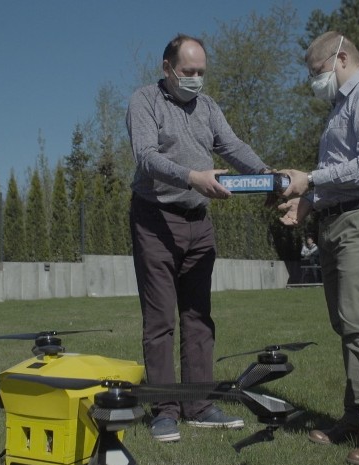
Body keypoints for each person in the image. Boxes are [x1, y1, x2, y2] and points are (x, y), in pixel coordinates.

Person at [126, 33, 272, 442]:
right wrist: (193, 177)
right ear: (167, 67)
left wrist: (269, 178)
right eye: (188, 71)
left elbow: (232, 146)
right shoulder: (144, 101)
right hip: (154, 219)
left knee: (199, 319)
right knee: (159, 322)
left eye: (201, 72)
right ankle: (164, 410)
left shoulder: (207, 107)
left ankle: (199, 404)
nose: (195, 79)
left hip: (198, 221)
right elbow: (145, 156)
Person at [277, 32, 359, 465]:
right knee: (346, 324)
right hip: (337, 222)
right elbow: (337, 175)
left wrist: (310, 180)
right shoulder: (340, 107)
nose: (315, 81)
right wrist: (306, 201)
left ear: (342, 58)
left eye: (316, 73)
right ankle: (356, 417)